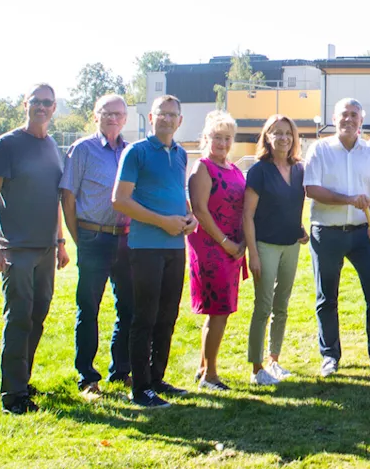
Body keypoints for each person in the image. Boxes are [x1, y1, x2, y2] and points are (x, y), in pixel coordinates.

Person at [0, 83, 67, 415]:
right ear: (25, 104)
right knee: (18, 319)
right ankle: (13, 395)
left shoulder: (52, 146)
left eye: (48, 103)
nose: (42, 107)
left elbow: (55, 198)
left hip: (46, 250)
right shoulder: (6, 145)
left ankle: (23, 380)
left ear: (55, 108)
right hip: (16, 250)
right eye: (36, 102)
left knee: (37, 318)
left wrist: (59, 242)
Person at [303, 98, 370, 376]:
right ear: (334, 118)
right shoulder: (320, 150)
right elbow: (311, 189)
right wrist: (348, 200)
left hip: (362, 233)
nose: (349, 119)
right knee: (327, 297)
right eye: (344, 114)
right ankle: (330, 356)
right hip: (326, 233)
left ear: (361, 119)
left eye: (354, 115)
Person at [113, 95, 198, 408]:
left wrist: (191, 217)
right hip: (145, 246)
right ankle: (140, 389)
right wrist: (163, 222)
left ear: (180, 120)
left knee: (167, 316)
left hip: (175, 247)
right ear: (151, 118)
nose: (167, 119)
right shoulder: (136, 152)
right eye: (161, 114)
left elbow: (178, 195)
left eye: (172, 115)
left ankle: (156, 378)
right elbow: (120, 200)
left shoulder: (180, 155)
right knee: (144, 318)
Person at [59, 93, 133, 401]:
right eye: (106, 113)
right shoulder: (83, 150)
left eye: (118, 113)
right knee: (88, 308)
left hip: (127, 238)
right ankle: (87, 377)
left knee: (128, 307)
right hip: (93, 236)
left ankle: (121, 370)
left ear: (126, 118)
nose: (113, 118)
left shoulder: (132, 152)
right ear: (95, 116)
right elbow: (68, 196)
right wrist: (79, 239)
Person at [243, 115, 308, 386]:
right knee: (264, 306)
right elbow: (247, 214)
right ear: (267, 137)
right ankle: (257, 368)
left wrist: (300, 229)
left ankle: (274, 361)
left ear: (294, 138)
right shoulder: (259, 170)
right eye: (276, 133)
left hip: (291, 245)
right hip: (265, 246)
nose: (283, 138)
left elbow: (291, 205)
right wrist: (253, 253)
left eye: (288, 133)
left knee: (282, 307)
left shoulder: (299, 169)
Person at [186, 110, 246, 391]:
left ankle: (203, 367)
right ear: (206, 138)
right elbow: (200, 210)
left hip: (231, 248)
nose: (222, 143)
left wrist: (239, 244)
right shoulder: (203, 168)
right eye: (216, 137)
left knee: (220, 310)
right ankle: (211, 375)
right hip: (211, 246)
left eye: (227, 138)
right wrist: (226, 243)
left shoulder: (233, 169)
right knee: (218, 310)